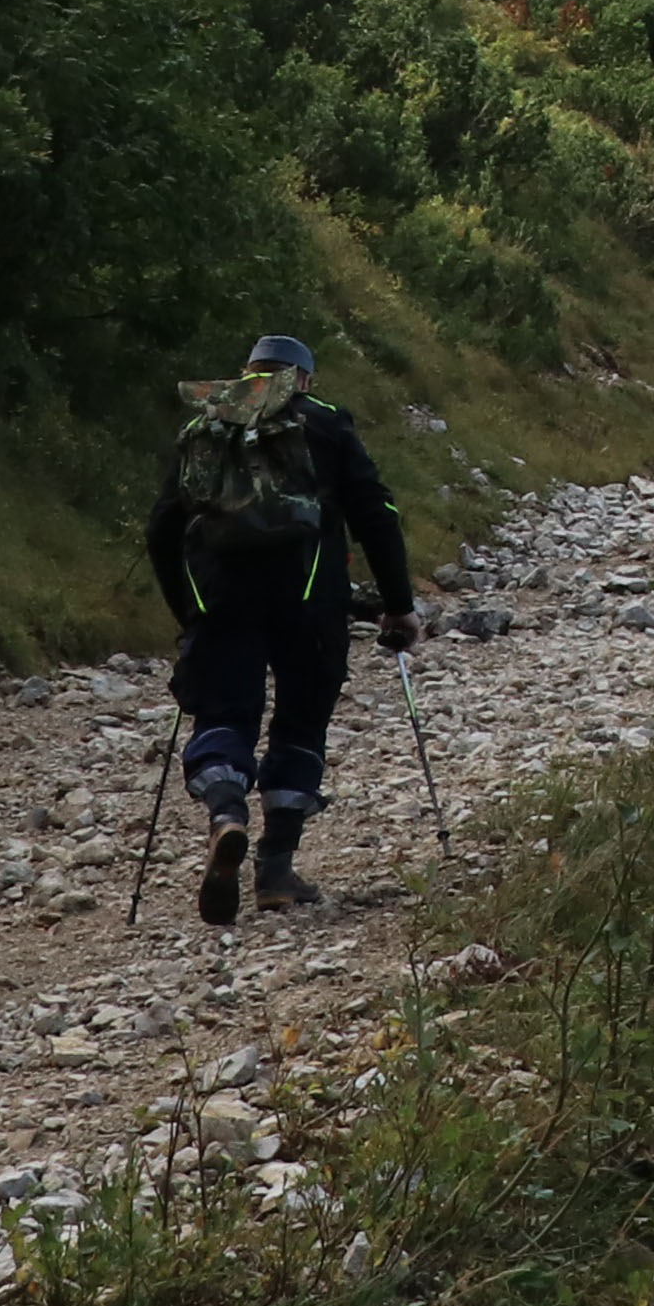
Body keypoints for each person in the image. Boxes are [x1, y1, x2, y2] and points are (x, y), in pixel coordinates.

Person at [145, 332, 419, 925]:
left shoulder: (210, 425)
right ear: (306, 380)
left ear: (248, 373)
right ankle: (275, 870)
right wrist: (398, 603)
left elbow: (162, 529)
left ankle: (226, 817)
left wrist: (187, 610)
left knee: (223, 714)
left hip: (222, 602)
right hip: (311, 603)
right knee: (300, 721)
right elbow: (377, 511)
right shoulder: (325, 423)